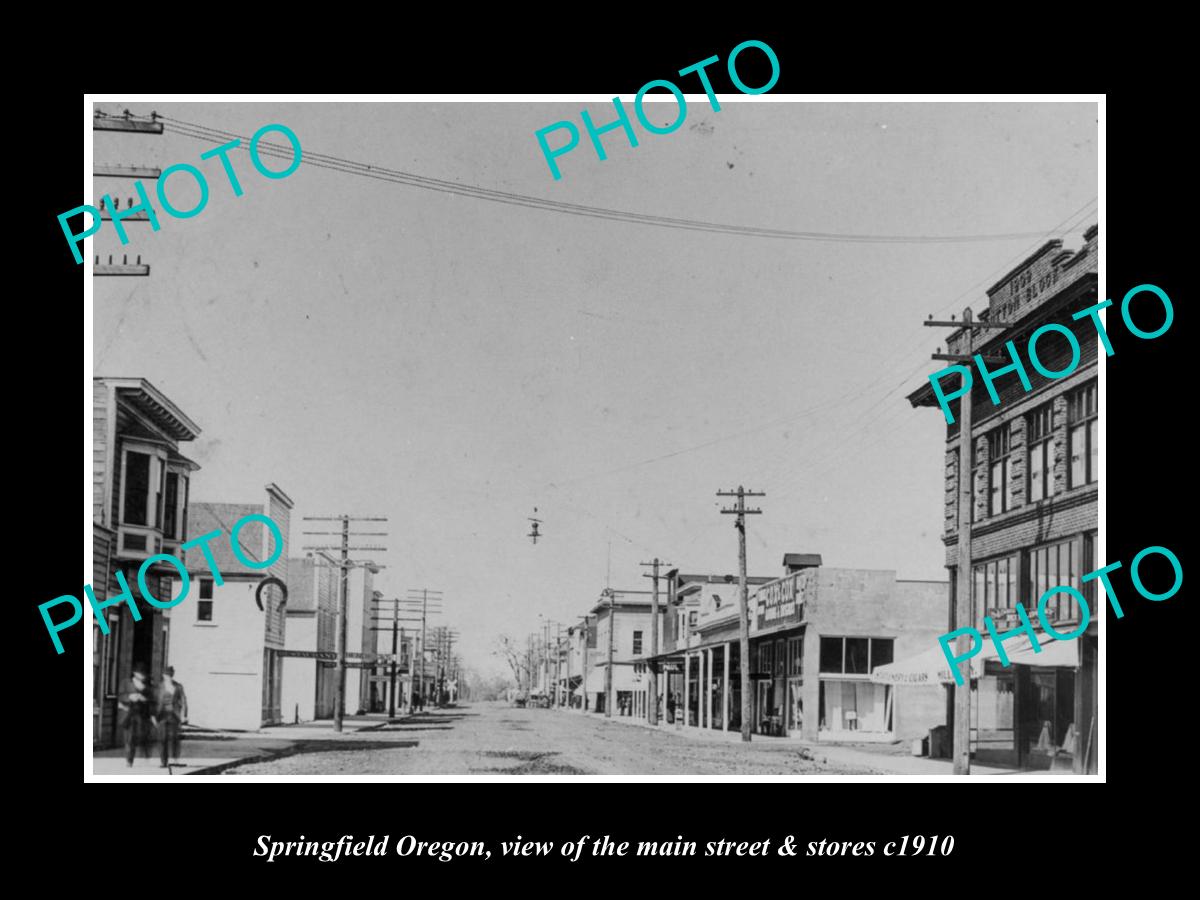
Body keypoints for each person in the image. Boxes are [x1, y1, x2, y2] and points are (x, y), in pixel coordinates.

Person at [117, 664, 153, 768]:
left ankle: (146, 757)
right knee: (129, 738)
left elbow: (152, 699)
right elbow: (120, 696)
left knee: (143, 736)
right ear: (135, 674)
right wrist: (129, 697)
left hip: (142, 715)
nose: (143, 676)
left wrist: (144, 699)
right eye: (141, 674)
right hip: (128, 714)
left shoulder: (147, 686)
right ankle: (129, 760)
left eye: (144, 674)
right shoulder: (126, 683)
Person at [155, 666, 189, 768]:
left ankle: (176, 759)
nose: (168, 678)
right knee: (162, 738)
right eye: (166, 675)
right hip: (162, 716)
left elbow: (184, 701)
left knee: (175, 738)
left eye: (170, 675)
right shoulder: (159, 687)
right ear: (163, 676)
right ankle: (163, 762)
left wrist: (184, 715)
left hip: (174, 716)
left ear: (172, 676)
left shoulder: (178, 686)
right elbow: (154, 702)